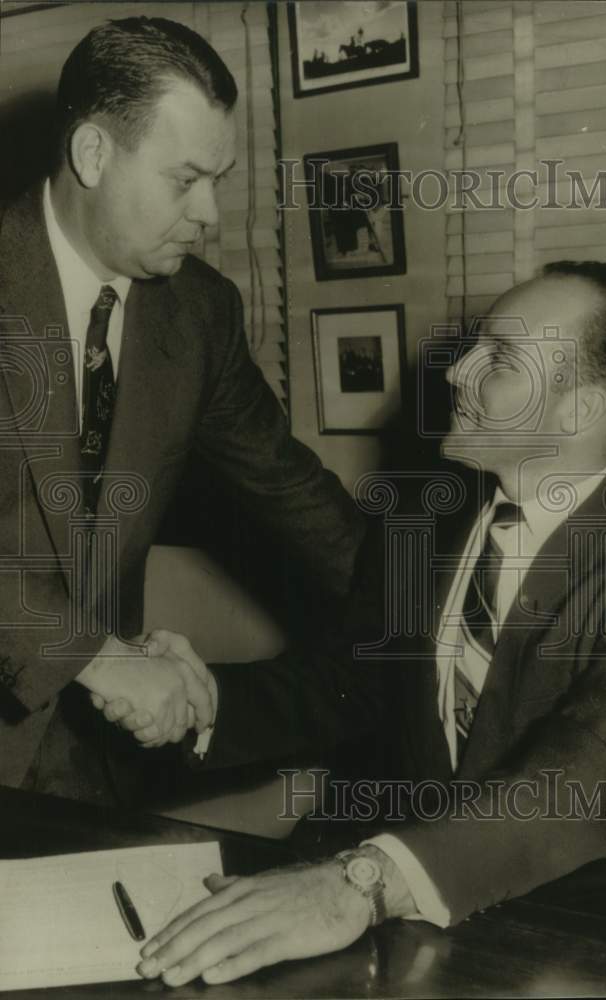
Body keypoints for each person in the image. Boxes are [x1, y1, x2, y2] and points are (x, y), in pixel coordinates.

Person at [103, 262, 606, 987]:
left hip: (580, 934)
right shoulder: (428, 519)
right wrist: (201, 704)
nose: (459, 373)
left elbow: (597, 773)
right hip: (407, 912)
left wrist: (365, 880)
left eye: (500, 359)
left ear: (581, 409)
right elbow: (349, 683)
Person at [0, 17, 363, 802]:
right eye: (184, 179)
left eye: (219, 181)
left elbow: (288, 488)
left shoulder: (199, 313)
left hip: (82, 753)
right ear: (93, 153)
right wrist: (95, 654)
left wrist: (437, 603)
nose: (210, 216)